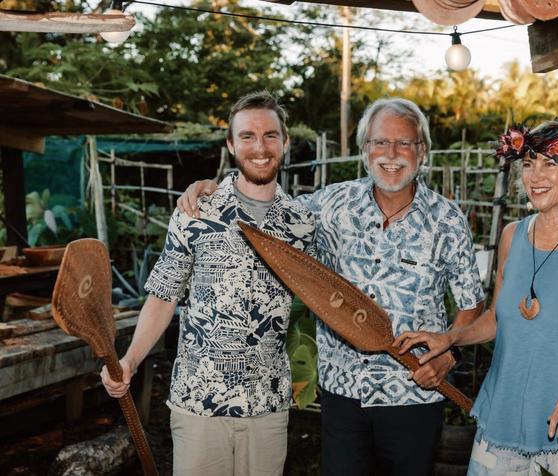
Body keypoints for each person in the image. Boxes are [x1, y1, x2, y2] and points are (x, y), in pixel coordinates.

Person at [177, 97, 485, 476]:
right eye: (379, 143)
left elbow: (472, 303)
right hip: (343, 394)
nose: (391, 154)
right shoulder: (331, 205)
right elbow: (269, 207)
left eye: (404, 143)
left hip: (413, 394)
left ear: (422, 151)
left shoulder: (448, 220)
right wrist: (213, 188)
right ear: (364, 150)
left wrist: (448, 353)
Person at [394, 121, 558, 476]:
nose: (535, 176)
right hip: (501, 422)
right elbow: (497, 317)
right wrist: (450, 338)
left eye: (550, 164)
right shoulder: (513, 235)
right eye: (528, 163)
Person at [100, 91, 316, 476]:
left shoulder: (302, 225)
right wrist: (129, 360)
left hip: (267, 406)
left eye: (270, 135)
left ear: (285, 143)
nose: (260, 147)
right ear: (231, 145)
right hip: (200, 403)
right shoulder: (196, 211)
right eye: (247, 136)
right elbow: (164, 295)